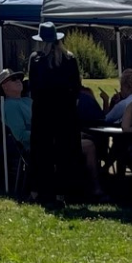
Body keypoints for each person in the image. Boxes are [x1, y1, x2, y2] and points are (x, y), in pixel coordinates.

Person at [26, 22, 85, 205]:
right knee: (66, 153)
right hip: (65, 112)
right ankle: (63, 193)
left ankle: (38, 191)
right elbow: (76, 88)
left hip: (43, 112)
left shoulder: (36, 59)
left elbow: (33, 88)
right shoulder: (70, 59)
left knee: (41, 152)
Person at [0, 68, 31, 190]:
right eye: (13, 79)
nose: (18, 81)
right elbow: (21, 135)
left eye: (19, 79)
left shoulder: (28, 100)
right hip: (32, 145)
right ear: (4, 87)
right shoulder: (9, 106)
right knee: (87, 146)